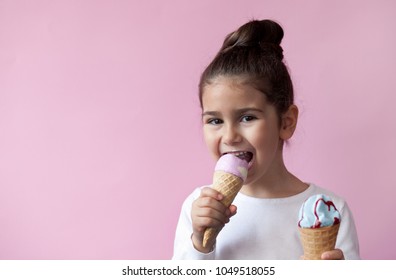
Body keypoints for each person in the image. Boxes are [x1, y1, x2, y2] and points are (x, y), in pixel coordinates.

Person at [172, 19, 360, 260]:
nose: (229, 136)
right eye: (215, 121)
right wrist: (200, 244)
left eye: (247, 117)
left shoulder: (328, 211)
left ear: (285, 122)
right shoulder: (198, 209)